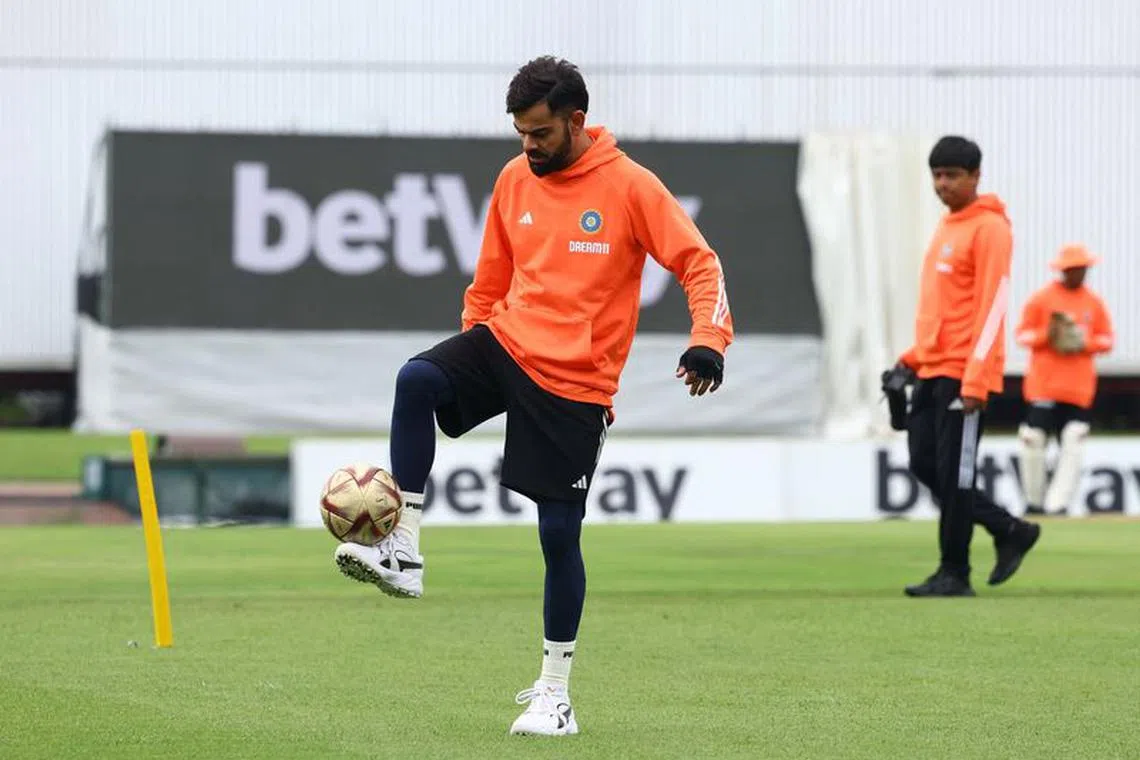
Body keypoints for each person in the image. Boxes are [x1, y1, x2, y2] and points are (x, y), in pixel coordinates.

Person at [334, 56, 733, 736]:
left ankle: (556, 694)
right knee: (418, 379)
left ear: (576, 121)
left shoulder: (631, 186)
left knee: (557, 535)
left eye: (541, 132)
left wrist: (709, 340)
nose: (528, 145)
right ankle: (402, 547)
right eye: (520, 132)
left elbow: (700, 262)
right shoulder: (514, 177)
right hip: (507, 342)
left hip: (576, 378)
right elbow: (490, 278)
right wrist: (469, 350)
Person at [889, 135, 1041, 598]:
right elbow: (943, 310)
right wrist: (909, 359)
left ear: (976, 176)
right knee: (924, 464)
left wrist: (978, 377)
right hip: (932, 368)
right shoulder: (948, 226)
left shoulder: (990, 228)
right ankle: (1010, 529)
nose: (942, 184)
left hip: (964, 373)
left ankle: (955, 572)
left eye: (952, 175)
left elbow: (993, 307)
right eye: (936, 175)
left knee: (956, 477)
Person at [1015, 244, 1114, 516]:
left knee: (1073, 441)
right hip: (1043, 386)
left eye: (1082, 269)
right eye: (1072, 270)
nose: (1078, 274)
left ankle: (1057, 505)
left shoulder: (1093, 303)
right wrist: (1048, 336)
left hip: (1078, 389)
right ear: (1063, 271)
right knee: (1033, 439)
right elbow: (1022, 335)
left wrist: (1084, 341)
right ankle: (1034, 502)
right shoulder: (1042, 299)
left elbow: (1107, 340)